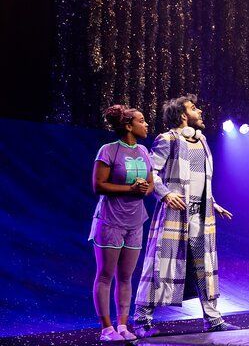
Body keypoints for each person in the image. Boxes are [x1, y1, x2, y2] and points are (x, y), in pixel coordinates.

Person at [134, 95, 236, 337]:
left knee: (205, 266)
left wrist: (213, 203)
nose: (199, 111)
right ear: (182, 116)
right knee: (161, 264)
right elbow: (152, 172)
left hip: (201, 214)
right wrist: (165, 194)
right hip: (175, 212)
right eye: (193, 108)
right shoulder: (167, 140)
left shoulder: (202, 142)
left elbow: (200, 180)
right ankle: (141, 320)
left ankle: (212, 319)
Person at [90, 105, 153, 341]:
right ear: (128, 126)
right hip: (110, 220)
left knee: (126, 277)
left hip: (135, 221)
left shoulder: (144, 152)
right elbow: (98, 185)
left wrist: (145, 188)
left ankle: (123, 326)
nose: (146, 124)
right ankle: (107, 328)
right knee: (106, 275)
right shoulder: (108, 150)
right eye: (142, 120)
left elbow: (150, 183)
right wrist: (131, 188)